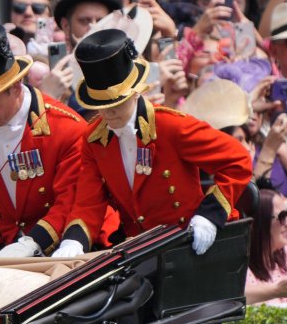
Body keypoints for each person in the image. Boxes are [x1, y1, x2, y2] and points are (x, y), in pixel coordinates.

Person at [54, 29, 253, 257]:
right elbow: (88, 202)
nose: (108, 115)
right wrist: (73, 242)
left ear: (136, 92)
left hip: (188, 243)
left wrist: (209, 215)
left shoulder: (170, 126)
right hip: (138, 249)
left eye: (117, 104)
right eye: (101, 106)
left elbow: (238, 160)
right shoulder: (94, 139)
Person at [0, 24, 86, 257]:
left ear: (15, 87)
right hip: (9, 240)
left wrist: (32, 243)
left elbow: (69, 202)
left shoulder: (67, 128)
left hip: (61, 248)